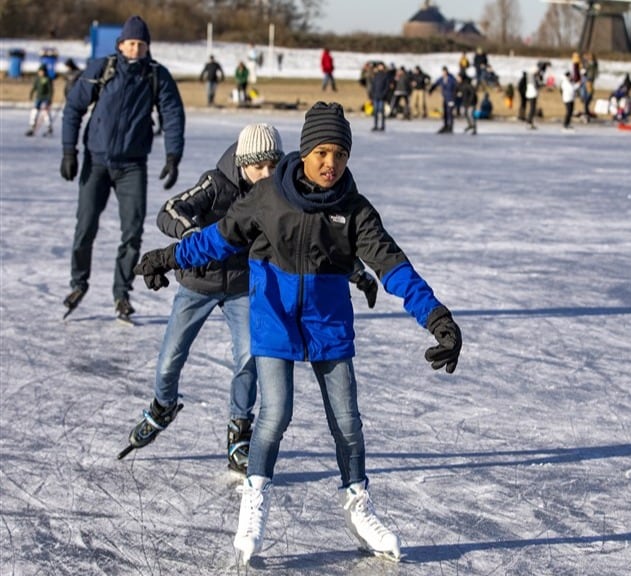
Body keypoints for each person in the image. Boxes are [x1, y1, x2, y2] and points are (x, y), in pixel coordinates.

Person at [133, 101, 463, 564]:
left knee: (347, 422)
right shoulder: (268, 196)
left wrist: (438, 318)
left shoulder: (354, 210)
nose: (332, 164)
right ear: (306, 151)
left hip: (327, 326)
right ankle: (255, 501)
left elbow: (393, 266)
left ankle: (358, 505)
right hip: (275, 320)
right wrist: (167, 258)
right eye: (324, 152)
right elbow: (218, 237)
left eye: (341, 155)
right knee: (275, 416)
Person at [120, 123, 380, 472]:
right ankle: (163, 405)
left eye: (273, 165)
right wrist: (194, 236)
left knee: (248, 359)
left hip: (244, 287)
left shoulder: (282, 194)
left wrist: (358, 273)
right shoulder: (215, 183)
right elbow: (169, 211)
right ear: (243, 163)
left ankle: (239, 432)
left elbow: (314, 246)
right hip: (199, 283)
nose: (266, 174)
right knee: (170, 358)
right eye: (259, 166)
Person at [60, 15, 185, 323]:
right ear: (120, 45)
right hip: (97, 161)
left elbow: (172, 114)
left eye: (141, 44)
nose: (135, 49)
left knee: (132, 231)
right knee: (85, 227)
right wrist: (68, 151)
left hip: (132, 165)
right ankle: (78, 284)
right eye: (130, 43)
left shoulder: (156, 75)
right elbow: (74, 108)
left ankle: (122, 294)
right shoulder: (102, 69)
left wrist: (173, 156)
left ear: (147, 47)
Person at [26, 65, 54, 137]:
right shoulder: (37, 79)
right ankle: (32, 126)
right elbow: (34, 87)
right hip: (38, 97)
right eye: (39, 71)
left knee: (45, 112)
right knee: (34, 111)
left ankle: (49, 127)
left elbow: (50, 90)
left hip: (46, 98)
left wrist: (49, 99)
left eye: (42, 71)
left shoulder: (47, 79)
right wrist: (31, 94)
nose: (40, 73)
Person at [429, 66, 457, 134]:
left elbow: (456, 87)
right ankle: (445, 125)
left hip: (451, 98)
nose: (444, 73)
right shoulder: (441, 79)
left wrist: (455, 96)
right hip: (445, 98)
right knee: (445, 112)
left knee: (449, 112)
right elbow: (435, 84)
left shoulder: (451, 79)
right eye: (443, 72)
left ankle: (450, 126)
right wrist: (431, 90)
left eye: (445, 72)